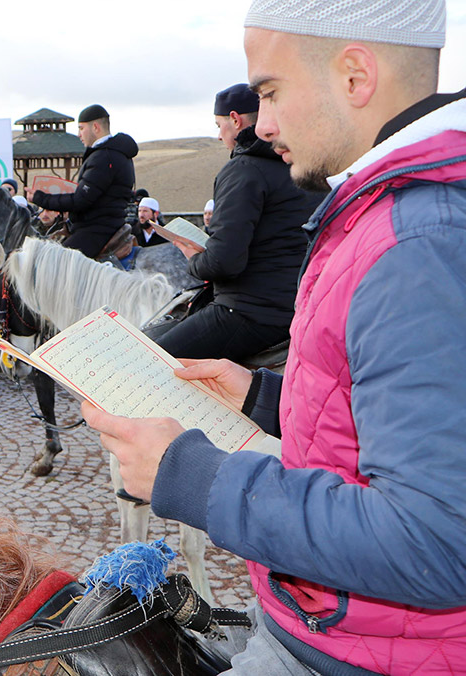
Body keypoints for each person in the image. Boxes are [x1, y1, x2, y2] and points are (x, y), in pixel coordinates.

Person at [82, 2, 466, 674]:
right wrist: (262, 397)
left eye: (271, 91)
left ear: (355, 76)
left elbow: (436, 542)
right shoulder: (385, 210)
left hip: (358, 651)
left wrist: (188, 473)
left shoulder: (417, 241)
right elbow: (380, 410)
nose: (261, 123)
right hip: (330, 624)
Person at [155, 83, 321, 361]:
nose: (219, 135)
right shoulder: (308, 167)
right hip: (302, 304)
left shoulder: (244, 170)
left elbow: (224, 263)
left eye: (219, 125)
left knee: (149, 363)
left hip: (250, 311)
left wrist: (195, 259)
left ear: (235, 119)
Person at [27, 104, 138, 257]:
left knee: (54, 260)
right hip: (105, 225)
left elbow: (81, 200)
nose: (79, 134)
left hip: (97, 229)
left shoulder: (104, 157)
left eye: (81, 128)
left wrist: (40, 198)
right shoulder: (114, 154)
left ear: (96, 127)